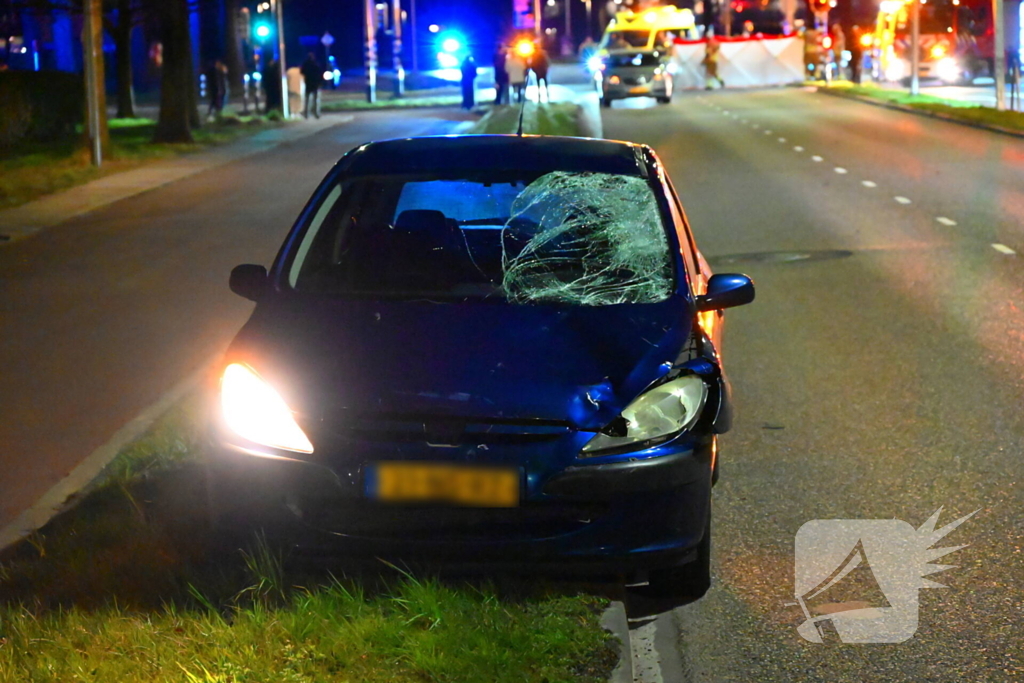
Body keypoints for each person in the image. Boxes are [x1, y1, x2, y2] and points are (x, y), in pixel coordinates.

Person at [300, 52, 322, 118]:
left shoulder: (306, 64)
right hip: (315, 83)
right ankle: (315, 113)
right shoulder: (316, 64)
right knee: (315, 99)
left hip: (308, 83)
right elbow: (319, 73)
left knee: (307, 99)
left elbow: (302, 72)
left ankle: (306, 113)